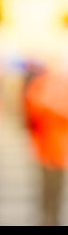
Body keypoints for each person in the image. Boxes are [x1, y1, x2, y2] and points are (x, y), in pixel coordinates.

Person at [24, 62, 68, 225]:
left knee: (57, 190)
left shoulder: (61, 86)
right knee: (47, 190)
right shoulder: (39, 87)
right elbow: (35, 110)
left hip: (60, 149)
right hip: (45, 148)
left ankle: (53, 219)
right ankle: (46, 219)